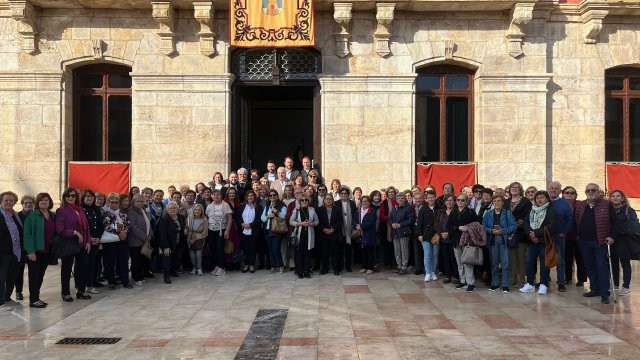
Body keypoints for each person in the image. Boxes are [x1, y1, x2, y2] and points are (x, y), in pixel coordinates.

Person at [574, 183, 613, 304]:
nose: (590, 192)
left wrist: (611, 236)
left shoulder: (606, 204)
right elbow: (576, 219)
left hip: (600, 241)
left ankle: (604, 293)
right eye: (588, 190)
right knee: (589, 266)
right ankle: (594, 289)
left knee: (601, 267)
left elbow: (614, 222)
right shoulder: (581, 205)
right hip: (584, 241)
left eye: (593, 190)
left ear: (598, 192)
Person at [56, 187, 91, 302]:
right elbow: (60, 229)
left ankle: (80, 290)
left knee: (83, 267)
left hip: (82, 244)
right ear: (65, 198)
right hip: (69, 243)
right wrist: (75, 233)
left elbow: (86, 227)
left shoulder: (80, 209)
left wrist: (87, 241)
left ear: (76, 197)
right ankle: (65, 293)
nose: (71, 198)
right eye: (68, 196)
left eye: (73, 196)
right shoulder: (61, 210)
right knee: (66, 269)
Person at [520, 190, 558, 296]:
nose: (539, 200)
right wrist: (531, 235)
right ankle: (530, 284)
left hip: (544, 241)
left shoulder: (551, 210)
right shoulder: (532, 210)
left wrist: (535, 233)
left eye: (542, 197)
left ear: (547, 199)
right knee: (529, 261)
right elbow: (526, 223)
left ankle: (544, 284)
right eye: (537, 198)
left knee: (544, 263)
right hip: (532, 241)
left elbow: (551, 226)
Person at [22, 193, 56, 308]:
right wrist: (30, 251)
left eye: (46, 200)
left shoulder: (52, 215)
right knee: (34, 276)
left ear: (49, 202)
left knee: (40, 275)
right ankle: (33, 300)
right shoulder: (32, 215)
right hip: (35, 252)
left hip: (47, 251)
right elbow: (27, 234)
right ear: (37, 202)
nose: (43, 202)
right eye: (41, 200)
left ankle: (37, 297)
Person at [482, 195, 517, 292]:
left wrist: (503, 231)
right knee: (494, 263)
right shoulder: (488, 214)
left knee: (505, 263)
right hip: (492, 240)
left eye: (499, 201)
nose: (496, 203)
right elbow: (483, 227)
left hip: (504, 239)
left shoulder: (508, 213)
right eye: (495, 201)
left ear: (502, 203)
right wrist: (490, 231)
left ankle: (505, 284)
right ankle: (495, 283)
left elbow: (514, 226)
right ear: (493, 203)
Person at [504, 182, 532, 289]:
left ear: (520, 189)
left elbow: (527, 215)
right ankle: (513, 277)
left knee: (521, 256)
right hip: (509, 233)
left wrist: (518, 223)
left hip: (520, 233)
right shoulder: (506, 201)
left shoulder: (525, 201)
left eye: (516, 188)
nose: (514, 189)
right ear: (509, 190)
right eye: (512, 187)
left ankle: (521, 279)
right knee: (511, 256)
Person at [101, 194, 132, 290]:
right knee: (109, 262)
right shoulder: (105, 213)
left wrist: (125, 231)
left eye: (116, 202)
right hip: (110, 241)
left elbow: (128, 224)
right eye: (112, 202)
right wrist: (118, 232)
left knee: (123, 261)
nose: (114, 204)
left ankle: (125, 281)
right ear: (108, 203)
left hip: (122, 240)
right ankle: (111, 282)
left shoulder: (122, 213)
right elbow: (106, 226)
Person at [609, 189, 636, 296]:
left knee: (625, 263)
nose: (615, 198)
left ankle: (626, 286)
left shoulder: (628, 210)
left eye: (618, 196)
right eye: (613, 196)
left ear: (622, 198)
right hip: (612, 240)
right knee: (613, 263)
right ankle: (615, 284)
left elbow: (634, 223)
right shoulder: (608, 210)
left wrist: (620, 228)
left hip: (624, 240)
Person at [548, 181, 573, 292]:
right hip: (545, 235)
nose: (553, 190)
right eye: (552, 188)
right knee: (546, 258)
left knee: (560, 260)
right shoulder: (544, 201)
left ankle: (561, 282)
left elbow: (569, 219)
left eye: (556, 188)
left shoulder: (565, 204)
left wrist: (564, 232)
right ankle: (545, 280)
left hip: (559, 236)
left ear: (559, 191)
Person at [1, 191, 23, 311]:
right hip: (3, 252)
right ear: (1, 201)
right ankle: (0, 303)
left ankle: (7, 298)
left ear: (15, 202)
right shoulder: (0, 214)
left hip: (15, 251)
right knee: (2, 277)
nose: (9, 202)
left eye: (11, 200)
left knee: (12, 275)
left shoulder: (15, 215)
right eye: (6, 200)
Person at [562, 186, 586, 287]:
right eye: (567, 192)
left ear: (576, 195)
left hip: (578, 236)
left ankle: (581, 279)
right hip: (565, 236)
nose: (569, 194)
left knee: (580, 258)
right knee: (567, 258)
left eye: (572, 193)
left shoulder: (580, 205)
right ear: (563, 194)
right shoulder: (560, 205)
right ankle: (567, 278)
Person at [290, 195, 319, 279]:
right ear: (300, 202)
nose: (304, 202)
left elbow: (317, 221)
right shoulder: (296, 210)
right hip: (299, 234)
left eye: (306, 200)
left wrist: (312, 224)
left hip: (309, 234)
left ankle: (306, 271)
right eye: (302, 200)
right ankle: (300, 271)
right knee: (299, 254)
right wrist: (300, 224)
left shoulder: (312, 210)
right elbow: (291, 221)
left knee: (307, 254)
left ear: (308, 201)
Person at [80, 190, 103, 294]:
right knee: (84, 264)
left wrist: (98, 237)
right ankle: (81, 285)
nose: (89, 198)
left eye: (91, 196)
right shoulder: (80, 209)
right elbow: (81, 226)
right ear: (83, 198)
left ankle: (90, 285)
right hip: (85, 241)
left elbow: (100, 225)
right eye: (87, 196)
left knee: (92, 264)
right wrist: (89, 239)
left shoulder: (97, 209)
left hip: (96, 241)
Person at [158, 201, 186, 284]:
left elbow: (183, 227)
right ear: (167, 210)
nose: (173, 209)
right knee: (167, 260)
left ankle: (172, 271)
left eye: (174, 208)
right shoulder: (165, 219)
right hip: (167, 243)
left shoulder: (180, 217)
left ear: (177, 209)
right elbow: (162, 234)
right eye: (170, 208)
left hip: (178, 242)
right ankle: (166, 276)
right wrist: (166, 246)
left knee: (176, 258)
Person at [127, 194, 152, 286]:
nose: (140, 203)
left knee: (141, 259)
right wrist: (145, 237)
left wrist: (150, 234)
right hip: (134, 240)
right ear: (133, 202)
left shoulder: (143, 210)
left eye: (142, 201)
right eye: (138, 201)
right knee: (136, 260)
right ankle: (136, 277)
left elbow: (148, 223)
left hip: (144, 239)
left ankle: (140, 275)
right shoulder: (130, 211)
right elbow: (133, 227)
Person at [206, 189, 233, 276]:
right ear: (212, 196)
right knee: (213, 248)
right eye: (214, 194)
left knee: (220, 248)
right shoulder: (209, 206)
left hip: (221, 230)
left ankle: (221, 267)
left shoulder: (225, 205)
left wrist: (227, 231)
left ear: (221, 196)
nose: (216, 196)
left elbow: (230, 219)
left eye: (218, 194)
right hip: (211, 230)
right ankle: (216, 266)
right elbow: (207, 217)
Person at [237, 190, 263, 274]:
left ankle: (252, 265)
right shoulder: (242, 206)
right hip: (244, 231)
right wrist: (242, 224)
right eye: (248, 196)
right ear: (246, 197)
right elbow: (238, 217)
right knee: (245, 249)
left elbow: (259, 219)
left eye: (252, 196)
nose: (250, 197)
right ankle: (246, 265)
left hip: (253, 231)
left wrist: (251, 225)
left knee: (252, 248)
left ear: (254, 197)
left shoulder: (258, 207)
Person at [316, 195, 343, 275]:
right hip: (323, 234)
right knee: (325, 253)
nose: (328, 200)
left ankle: (336, 269)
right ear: (324, 200)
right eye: (326, 199)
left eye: (330, 199)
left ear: (332, 200)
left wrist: (333, 229)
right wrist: (324, 229)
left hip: (334, 234)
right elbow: (318, 222)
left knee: (335, 252)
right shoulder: (319, 210)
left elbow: (340, 222)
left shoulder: (337, 210)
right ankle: (325, 268)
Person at [261, 190, 287, 273]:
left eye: (274, 195)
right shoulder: (267, 205)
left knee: (276, 249)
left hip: (277, 231)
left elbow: (284, 216)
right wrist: (268, 216)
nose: (272, 197)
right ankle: (273, 266)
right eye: (270, 195)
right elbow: (262, 218)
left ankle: (281, 265)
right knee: (270, 249)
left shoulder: (282, 205)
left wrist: (276, 211)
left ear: (277, 196)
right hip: (268, 230)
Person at [390, 191, 414, 275]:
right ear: (396, 199)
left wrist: (400, 224)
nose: (400, 200)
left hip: (404, 232)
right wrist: (392, 223)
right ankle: (399, 265)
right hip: (395, 232)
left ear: (405, 199)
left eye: (402, 198)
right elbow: (390, 218)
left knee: (404, 250)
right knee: (397, 250)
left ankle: (404, 266)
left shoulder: (408, 208)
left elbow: (410, 220)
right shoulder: (394, 207)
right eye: (398, 198)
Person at [417, 191, 438, 282]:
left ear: (435, 198)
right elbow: (419, 223)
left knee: (435, 254)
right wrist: (420, 234)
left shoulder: (439, 208)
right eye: (429, 197)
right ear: (426, 199)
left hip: (437, 235)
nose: (431, 199)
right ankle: (428, 273)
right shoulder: (423, 209)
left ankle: (433, 272)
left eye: (432, 197)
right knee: (427, 254)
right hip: (426, 235)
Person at [436, 194, 456, 283]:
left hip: (453, 239)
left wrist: (449, 233)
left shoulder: (456, 212)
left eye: (451, 200)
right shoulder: (441, 212)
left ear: (454, 202)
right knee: (445, 258)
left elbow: (457, 226)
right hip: (443, 239)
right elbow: (437, 225)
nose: (449, 202)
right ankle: (447, 276)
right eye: (447, 200)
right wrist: (441, 234)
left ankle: (455, 275)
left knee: (454, 258)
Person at [337, 187, 357, 273]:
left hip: (350, 229)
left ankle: (348, 266)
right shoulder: (336, 203)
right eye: (342, 193)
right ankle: (340, 266)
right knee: (340, 250)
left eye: (345, 193)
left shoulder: (352, 204)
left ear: (348, 195)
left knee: (349, 250)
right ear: (340, 195)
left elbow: (355, 215)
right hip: (340, 229)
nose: (344, 195)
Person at [356, 195, 377, 274]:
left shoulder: (372, 211)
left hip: (369, 234)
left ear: (369, 202)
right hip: (361, 233)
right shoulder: (358, 210)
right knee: (363, 251)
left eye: (366, 201)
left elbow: (371, 222)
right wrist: (356, 226)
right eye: (363, 201)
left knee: (370, 251)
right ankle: (364, 267)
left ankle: (370, 268)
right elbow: (355, 220)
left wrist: (361, 226)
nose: (365, 203)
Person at [186, 203, 208, 276]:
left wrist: (198, 236)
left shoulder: (204, 219)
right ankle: (194, 268)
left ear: (202, 211)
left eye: (199, 210)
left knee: (198, 255)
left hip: (199, 240)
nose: (197, 211)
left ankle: (199, 268)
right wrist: (186, 232)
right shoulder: (189, 218)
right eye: (195, 209)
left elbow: (205, 232)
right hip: (190, 238)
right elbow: (187, 227)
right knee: (191, 255)